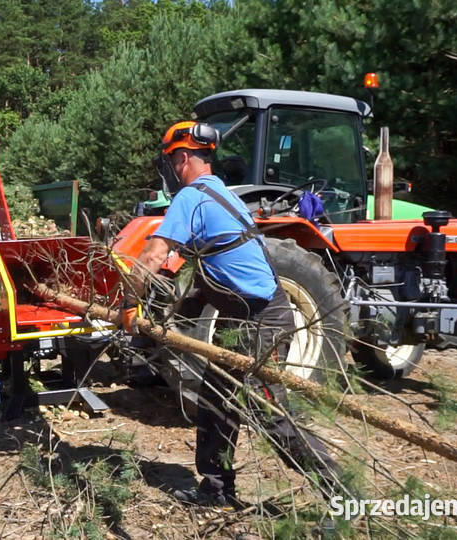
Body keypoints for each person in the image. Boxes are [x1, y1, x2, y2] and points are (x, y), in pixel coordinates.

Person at [121, 121, 341, 508]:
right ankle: (216, 489)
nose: (172, 169)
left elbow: (153, 256)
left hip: (263, 320)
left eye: (173, 161)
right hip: (239, 317)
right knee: (215, 399)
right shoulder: (225, 195)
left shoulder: (191, 198)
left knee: (268, 411)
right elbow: (222, 263)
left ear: (183, 157)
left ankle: (340, 492)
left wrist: (126, 303)